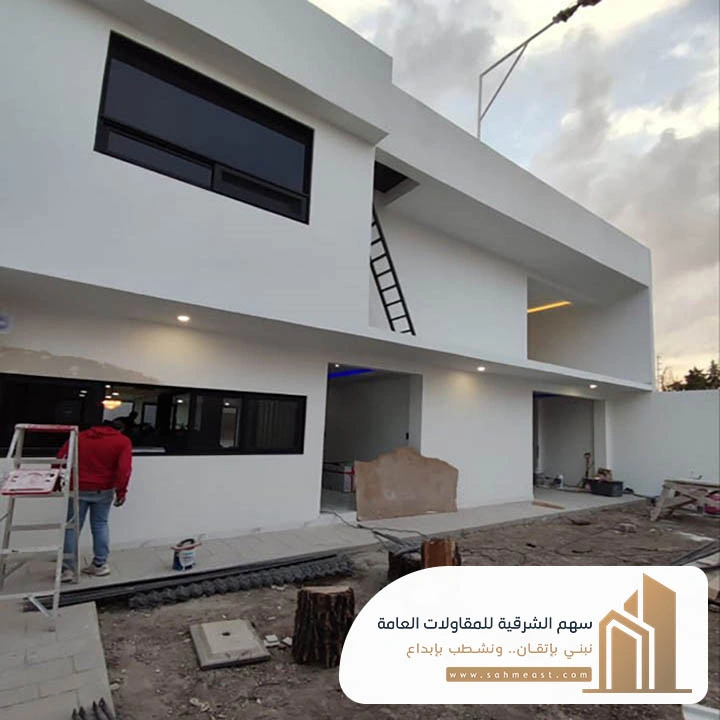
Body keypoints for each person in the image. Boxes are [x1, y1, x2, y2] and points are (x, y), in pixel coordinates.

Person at [58, 420, 132, 582]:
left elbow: (61, 458)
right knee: (100, 525)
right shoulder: (122, 441)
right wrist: (121, 492)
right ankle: (100, 565)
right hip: (104, 489)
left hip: (77, 488)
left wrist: (57, 481)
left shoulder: (79, 437)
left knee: (72, 527)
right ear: (118, 429)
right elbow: (124, 469)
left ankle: (67, 570)